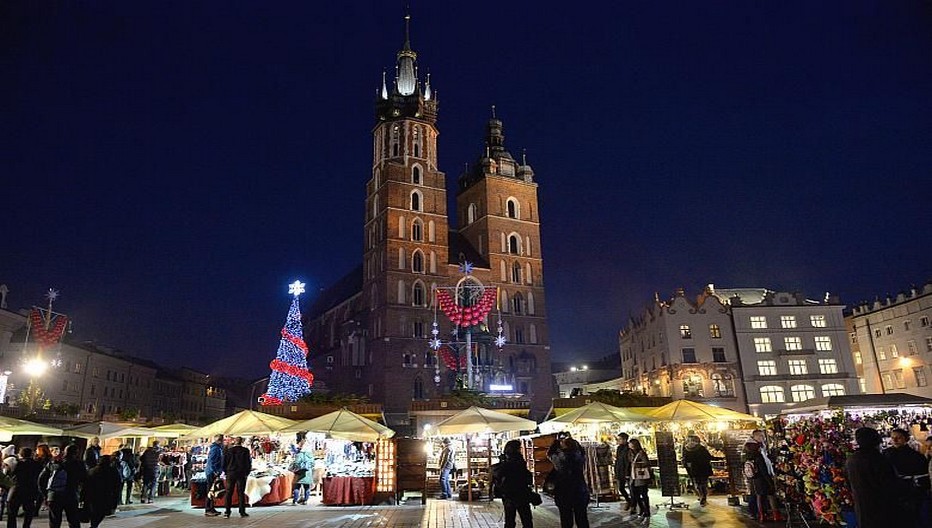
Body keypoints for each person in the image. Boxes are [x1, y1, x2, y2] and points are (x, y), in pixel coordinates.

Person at [848, 427, 905, 528]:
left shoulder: (852, 459)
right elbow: (889, 485)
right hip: (881, 508)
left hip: (862, 506)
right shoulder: (878, 459)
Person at [884, 428, 929, 527]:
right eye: (892, 438)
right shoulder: (886, 454)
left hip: (910, 494)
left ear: (906, 439)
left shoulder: (915, 456)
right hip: (893, 494)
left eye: (898, 438)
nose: (895, 440)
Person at [39, 444, 87, 528]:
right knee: (73, 520)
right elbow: (85, 480)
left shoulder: (53, 463)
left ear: (64, 452)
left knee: (54, 521)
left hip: (54, 495)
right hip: (71, 495)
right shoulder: (78, 464)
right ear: (76, 453)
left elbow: (41, 480)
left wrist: (45, 494)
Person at [547, 435, 589, 528]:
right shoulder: (579, 456)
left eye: (563, 443)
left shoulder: (560, 459)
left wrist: (555, 443)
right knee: (582, 518)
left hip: (564, 491)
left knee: (566, 519)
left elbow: (549, 454)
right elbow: (582, 451)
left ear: (565, 446)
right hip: (580, 490)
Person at [491, 440, 534, 528]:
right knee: (526, 519)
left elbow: (499, 476)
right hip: (521, 492)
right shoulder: (518, 460)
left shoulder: (505, 461)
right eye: (519, 448)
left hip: (508, 494)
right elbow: (524, 475)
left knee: (510, 520)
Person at [743, 441, 781, 523]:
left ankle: (762, 515)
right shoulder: (758, 457)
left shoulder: (747, 457)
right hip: (762, 480)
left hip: (753, 480)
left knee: (759, 497)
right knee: (769, 495)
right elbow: (764, 471)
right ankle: (773, 515)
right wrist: (770, 482)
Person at [7, 447, 42, 528]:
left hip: (17, 489)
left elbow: (11, 475)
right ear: (31, 454)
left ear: (21, 454)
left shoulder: (18, 464)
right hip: (30, 490)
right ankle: (26, 526)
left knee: (12, 512)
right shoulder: (37, 464)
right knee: (29, 512)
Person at [84, 454, 120, 528]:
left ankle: (93, 525)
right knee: (100, 513)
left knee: (95, 513)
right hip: (106, 496)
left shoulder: (92, 471)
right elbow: (117, 487)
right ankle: (94, 525)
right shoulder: (113, 471)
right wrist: (115, 501)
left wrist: (83, 497)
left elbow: (86, 485)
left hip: (92, 496)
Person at [682, 434, 717, 506]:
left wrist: (688, 467)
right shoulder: (701, 448)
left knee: (697, 483)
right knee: (704, 483)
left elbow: (685, 460)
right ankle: (703, 498)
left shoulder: (686, 449)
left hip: (694, 469)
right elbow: (708, 457)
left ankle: (701, 496)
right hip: (704, 468)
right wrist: (719, 458)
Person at [224, 437, 251, 518]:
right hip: (241, 473)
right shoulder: (245, 451)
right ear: (241, 442)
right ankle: (242, 511)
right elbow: (248, 463)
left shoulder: (228, 451)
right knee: (241, 493)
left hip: (231, 473)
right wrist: (247, 472)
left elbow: (225, 462)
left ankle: (227, 511)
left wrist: (226, 472)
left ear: (234, 442)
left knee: (229, 492)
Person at [627, 438, 651, 518]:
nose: (629, 445)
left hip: (641, 477)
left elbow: (647, 463)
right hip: (633, 477)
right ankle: (641, 509)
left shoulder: (641, 453)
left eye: (630, 443)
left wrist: (637, 464)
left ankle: (647, 510)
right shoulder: (630, 453)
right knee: (635, 494)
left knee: (644, 494)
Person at [204, 435, 224, 516]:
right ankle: (208, 508)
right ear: (220, 440)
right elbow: (212, 461)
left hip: (211, 471)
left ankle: (211, 508)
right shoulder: (216, 449)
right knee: (211, 490)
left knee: (213, 490)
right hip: (211, 472)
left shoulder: (216, 448)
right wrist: (215, 471)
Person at [612, 432, 632, 511]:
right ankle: (629, 500)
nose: (618, 440)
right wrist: (616, 471)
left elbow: (628, 461)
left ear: (625, 439)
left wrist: (627, 472)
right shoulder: (619, 448)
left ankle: (633, 504)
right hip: (620, 471)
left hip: (627, 471)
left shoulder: (629, 448)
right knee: (621, 488)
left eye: (619, 439)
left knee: (631, 489)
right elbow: (618, 460)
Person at [290, 440, 313, 505]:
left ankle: (295, 501)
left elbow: (296, 463)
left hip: (299, 473)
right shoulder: (310, 455)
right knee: (307, 487)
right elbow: (313, 464)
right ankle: (305, 501)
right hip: (308, 473)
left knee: (297, 487)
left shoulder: (299, 455)